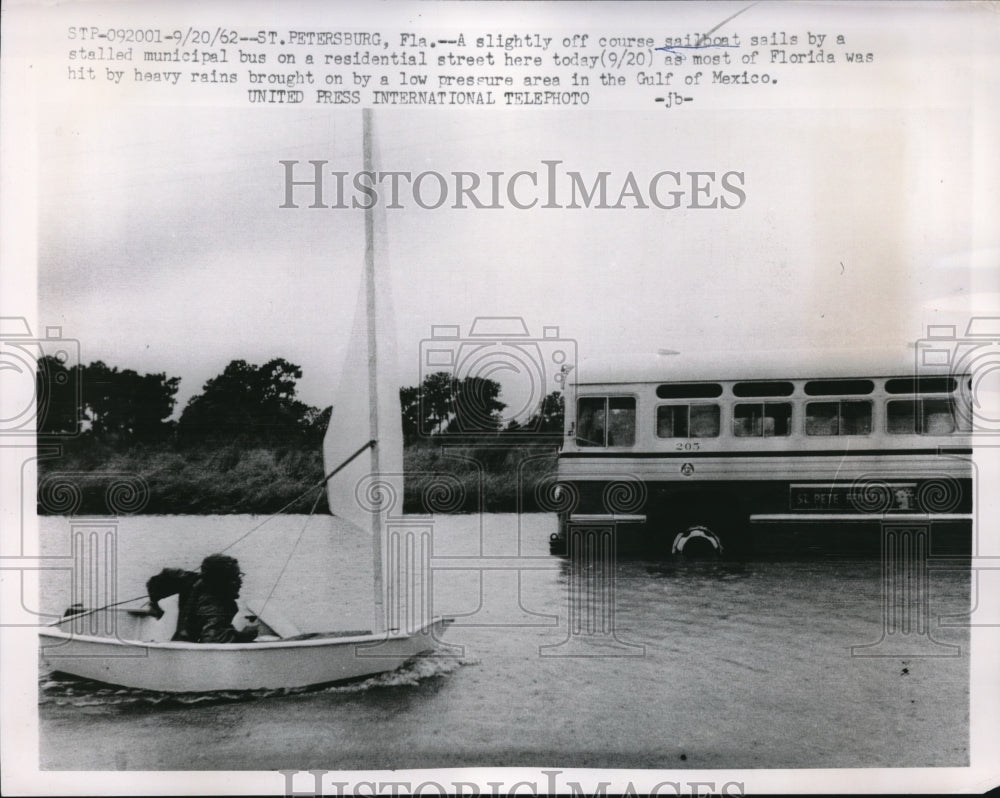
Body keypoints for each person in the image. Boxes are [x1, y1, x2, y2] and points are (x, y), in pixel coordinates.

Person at [146, 554, 259, 643]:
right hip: (192, 658)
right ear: (222, 582)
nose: (240, 582)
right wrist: (245, 635)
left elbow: (162, 578)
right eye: (235, 578)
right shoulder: (217, 603)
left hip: (179, 641)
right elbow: (213, 639)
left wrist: (153, 603)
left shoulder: (191, 579)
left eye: (240, 575)